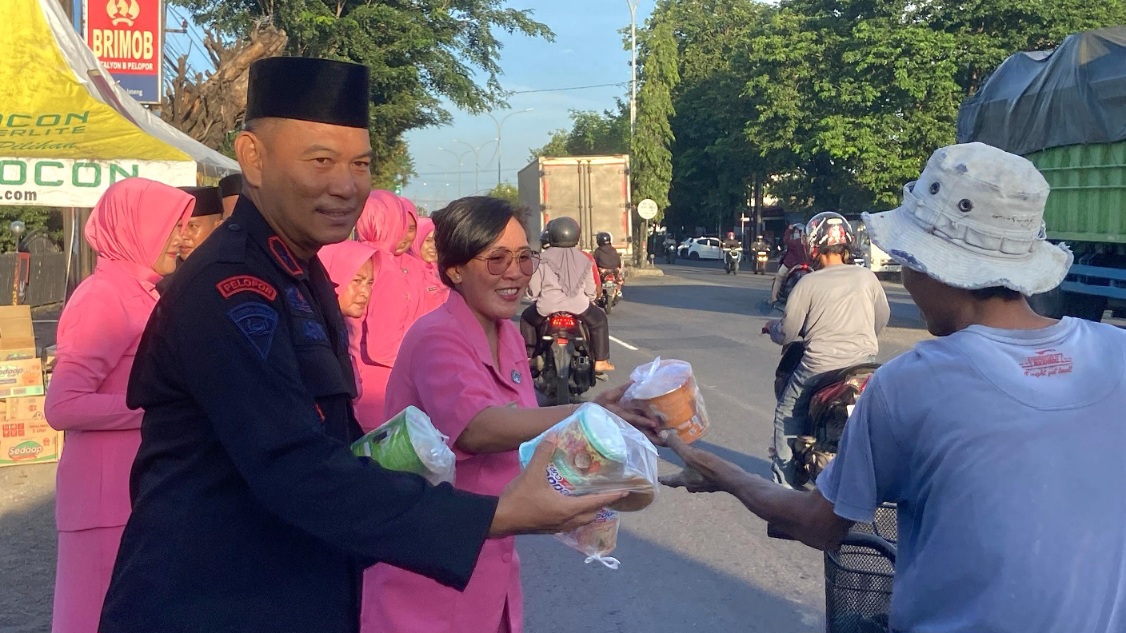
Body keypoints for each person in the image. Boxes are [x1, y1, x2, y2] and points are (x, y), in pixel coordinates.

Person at [98, 56, 620, 633]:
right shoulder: (231, 287)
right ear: (253, 157)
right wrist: (493, 515)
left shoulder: (299, 273)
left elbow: (334, 445)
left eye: (361, 164)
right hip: (215, 597)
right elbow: (295, 467)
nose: (346, 186)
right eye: (320, 161)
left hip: (294, 585)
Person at [660, 143, 1126, 633]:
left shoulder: (912, 382)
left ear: (931, 264)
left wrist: (718, 470)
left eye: (907, 258)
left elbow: (819, 525)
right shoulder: (1116, 351)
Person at [364, 197, 659, 633]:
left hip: (489, 568)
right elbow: (478, 429)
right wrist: (586, 411)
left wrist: (600, 474)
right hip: (428, 575)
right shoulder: (436, 336)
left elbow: (527, 434)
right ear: (455, 269)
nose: (516, 272)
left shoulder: (508, 335)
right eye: (496, 258)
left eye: (524, 257)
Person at [45, 178, 193, 633]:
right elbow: (64, 405)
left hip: (132, 493)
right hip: (102, 503)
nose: (185, 238)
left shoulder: (140, 293)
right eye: (174, 226)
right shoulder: (104, 295)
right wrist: (158, 409)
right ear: (138, 228)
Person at [763, 211, 889, 489]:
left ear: (814, 246)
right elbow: (882, 318)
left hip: (818, 368)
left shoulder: (808, 282)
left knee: (787, 414)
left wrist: (772, 328)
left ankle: (783, 488)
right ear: (847, 244)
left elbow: (789, 332)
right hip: (864, 367)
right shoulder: (867, 278)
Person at [352, 190, 423, 430]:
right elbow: (383, 347)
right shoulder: (386, 267)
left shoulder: (354, 255)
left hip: (354, 373)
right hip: (379, 386)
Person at [520, 217, 614, 373]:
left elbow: (534, 290)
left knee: (527, 319)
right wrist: (589, 299)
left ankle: (530, 358)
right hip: (580, 307)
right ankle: (601, 361)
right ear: (575, 235)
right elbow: (591, 291)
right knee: (600, 320)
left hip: (547, 307)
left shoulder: (540, 259)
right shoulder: (585, 259)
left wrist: (534, 296)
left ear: (552, 236)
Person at [319, 239, 379, 396]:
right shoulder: (316, 340)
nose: (365, 292)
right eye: (357, 281)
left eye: (370, 283)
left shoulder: (350, 330)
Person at [411, 215, 449, 316]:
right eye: (428, 240)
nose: (433, 246)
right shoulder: (409, 273)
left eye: (437, 241)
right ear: (417, 240)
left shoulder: (442, 271)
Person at [178, 185, 225, 260]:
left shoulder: (236, 270)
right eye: (179, 227)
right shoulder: (166, 270)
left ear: (218, 228)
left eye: (192, 226)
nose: (182, 236)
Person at [771, 224, 809, 303]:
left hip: (790, 264)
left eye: (796, 232)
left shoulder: (795, 242)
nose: (795, 233)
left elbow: (786, 240)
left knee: (779, 278)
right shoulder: (809, 243)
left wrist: (788, 230)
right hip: (808, 265)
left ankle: (774, 298)